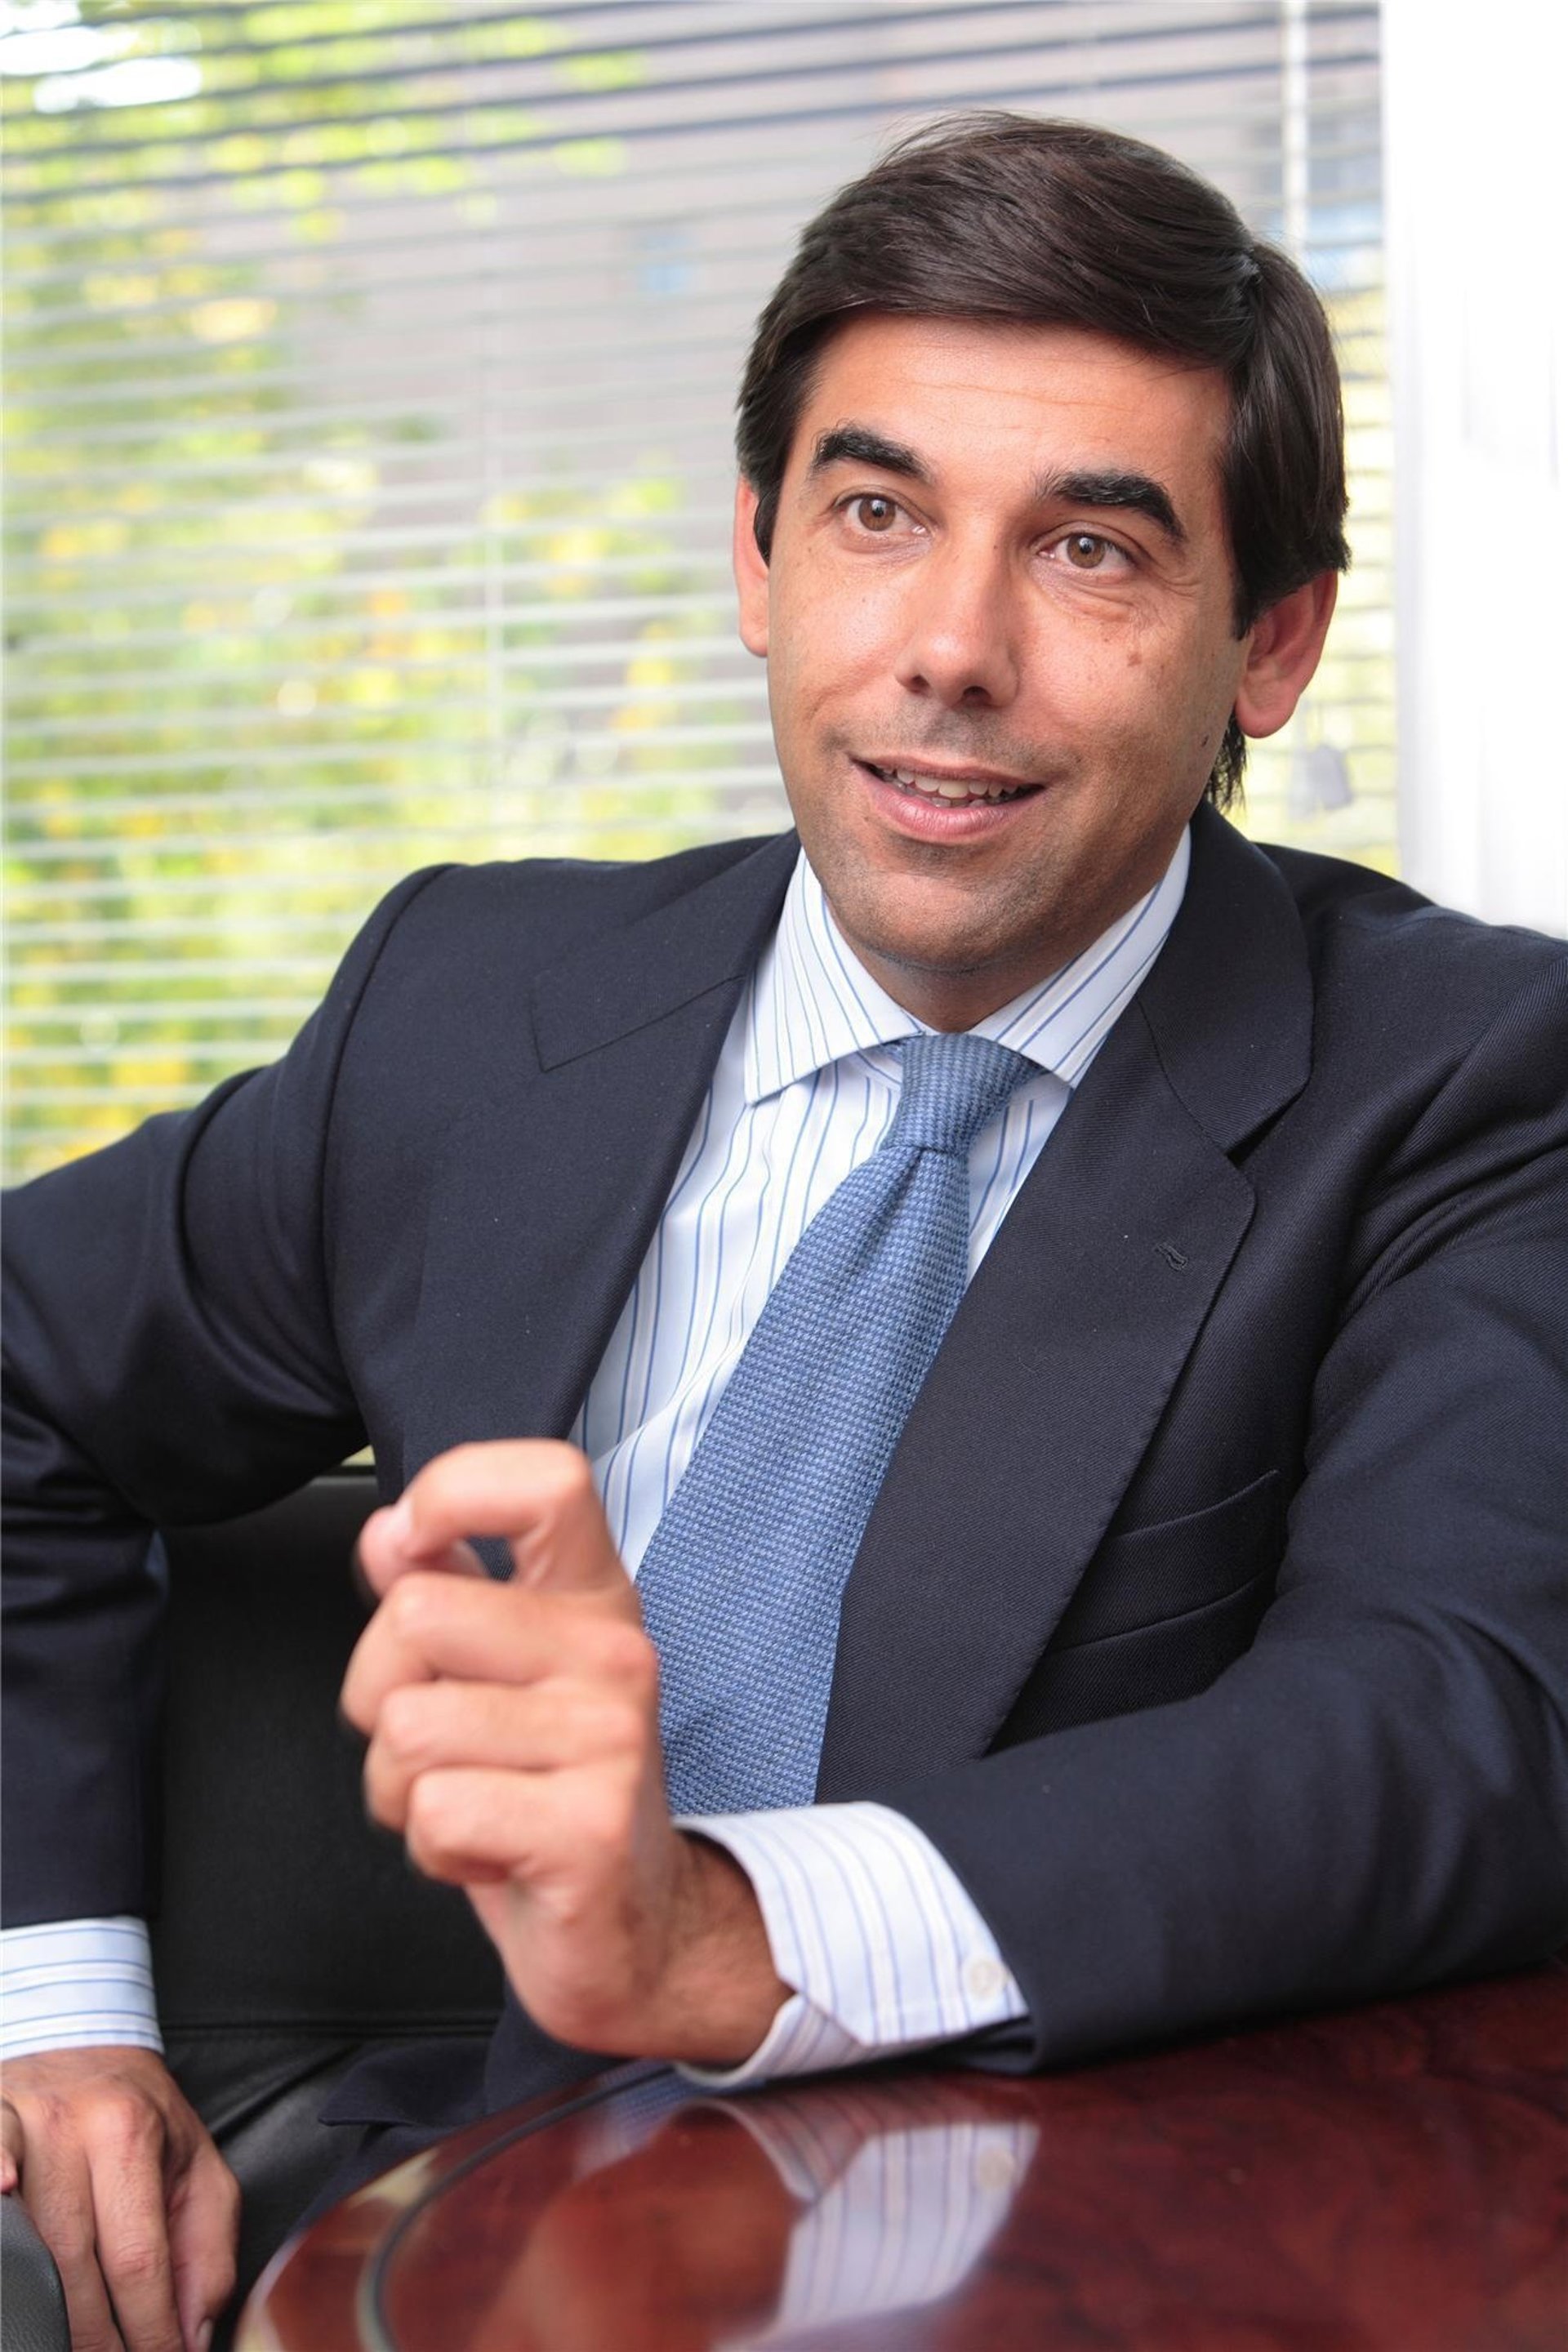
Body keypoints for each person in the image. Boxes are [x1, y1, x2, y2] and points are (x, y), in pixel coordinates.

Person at [4, 111, 1566, 2352]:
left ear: (1274, 644)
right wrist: (56, 2000)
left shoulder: (1473, 1078)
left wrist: (719, 1928)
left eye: (1091, 552)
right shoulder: (472, 1004)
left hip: (1086, 2259)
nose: (950, 648)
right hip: (490, 2208)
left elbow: (1458, 1717)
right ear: (757, 557)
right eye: (876, 513)